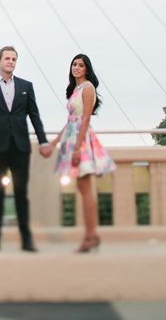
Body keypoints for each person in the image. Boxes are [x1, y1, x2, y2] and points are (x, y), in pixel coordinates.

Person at [41, 54, 116, 253]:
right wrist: (55, 142)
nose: (76, 68)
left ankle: (91, 237)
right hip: (71, 137)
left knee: (85, 189)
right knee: (83, 190)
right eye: (74, 64)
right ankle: (90, 236)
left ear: (86, 69)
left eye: (81, 65)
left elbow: (85, 120)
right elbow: (71, 120)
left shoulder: (88, 88)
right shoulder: (75, 89)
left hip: (80, 141)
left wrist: (77, 148)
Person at [0, 46, 48, 252]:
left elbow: (34, 116)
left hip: (20, 147)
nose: (11, 61)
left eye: (14, 59)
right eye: (7, 58)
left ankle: (26, 240)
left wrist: (43, 141)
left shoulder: (27, 86)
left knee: (21, 193)